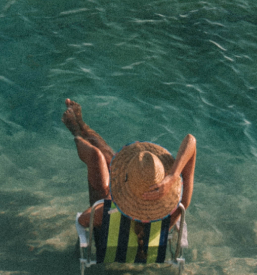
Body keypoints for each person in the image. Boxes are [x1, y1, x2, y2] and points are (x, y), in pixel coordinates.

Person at [62, 98, 196, 230]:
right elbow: (191, 143)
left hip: (109, 217)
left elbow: (82, 221)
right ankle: (80, 125)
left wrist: (172, 176)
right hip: (121, 222)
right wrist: (173, 176)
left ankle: (76, 129)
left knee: (98, 158)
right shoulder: (173, 214)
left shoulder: (102, 213)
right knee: (106, 159)